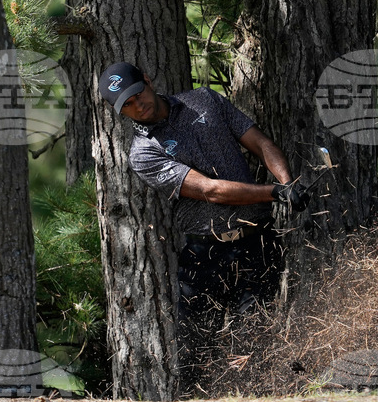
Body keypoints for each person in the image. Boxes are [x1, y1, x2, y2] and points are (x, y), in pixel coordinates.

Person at [97, 61, 306, 368]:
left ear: (147, 80)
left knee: (254, 338)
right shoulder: (143, 153)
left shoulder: (204, 100)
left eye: (137, 94)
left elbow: (262, 143)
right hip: (204, 253)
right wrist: (274, 192)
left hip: (256, 243)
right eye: (127, 105)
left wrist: (288, 182)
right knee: (195, 349)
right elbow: (211, 190)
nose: (137, 105)